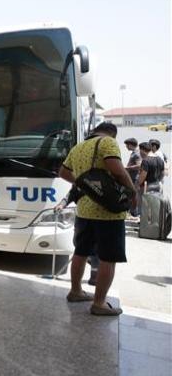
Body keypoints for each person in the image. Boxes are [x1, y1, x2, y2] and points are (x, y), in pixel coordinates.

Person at [59, 122, 136, 316]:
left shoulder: (78, 147)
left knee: (81, 252)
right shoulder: (107, 142)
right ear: (112, 133)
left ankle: (75, 291)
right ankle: (99, 303)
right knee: (108, 258)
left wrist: (85, 184)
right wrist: (132, 191)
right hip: (108, 211)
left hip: (84, 210)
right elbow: (117, 170)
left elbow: (63, 172)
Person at [55, 186, 100, 285]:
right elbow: (72, 192)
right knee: (77, 244)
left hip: (100, 218)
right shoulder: (81, 176)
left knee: (95, 249)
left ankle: (95, 276)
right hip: (82, 217)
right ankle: (94, 263)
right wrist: (62, 204)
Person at [123, 138, 141, 217]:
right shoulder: (135, 152)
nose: (126, 147)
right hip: (132, 177)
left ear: (130, 144)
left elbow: (139, 165)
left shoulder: (136, 153)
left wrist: (127, 168)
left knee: (133, 195)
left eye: (127, 145)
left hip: (134, 178)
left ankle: (134, 213)